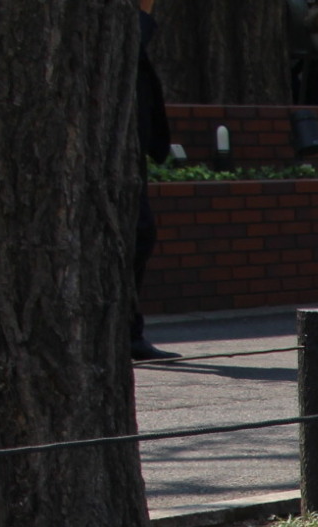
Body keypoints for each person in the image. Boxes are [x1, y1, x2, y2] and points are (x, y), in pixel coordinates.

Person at [133, 0, 176, 362]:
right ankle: (129, 332)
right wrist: (145, 11)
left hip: (133, 146)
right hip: (120, 149)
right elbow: (133, 41)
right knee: (137, 232)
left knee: (140, 234)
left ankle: (131, 331)